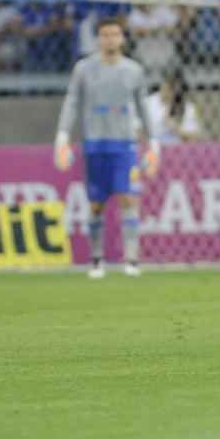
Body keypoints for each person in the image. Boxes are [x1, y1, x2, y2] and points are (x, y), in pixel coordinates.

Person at [55, 18, 159, 279]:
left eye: (114, 35)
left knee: (128, 198)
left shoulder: (133, 70)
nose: (110, 40)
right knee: (96, 204)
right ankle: (96, 259)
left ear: (122, 38)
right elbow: (72, 101)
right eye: (104, 35)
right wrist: (63, 136)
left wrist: (153, 142)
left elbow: (144, 107)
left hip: (124, 145)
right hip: (94, 143)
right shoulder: (84, 69)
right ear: (98, 39)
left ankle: (132, 259)